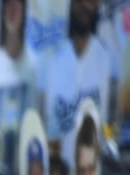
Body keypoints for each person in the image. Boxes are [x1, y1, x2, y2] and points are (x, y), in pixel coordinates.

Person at [42, 0, 110, 150]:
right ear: (71, 5)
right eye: (79, 2)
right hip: (62, 167)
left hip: (94, 166)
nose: (84, 6)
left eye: (90, 2)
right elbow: (51, 129)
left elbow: (108, 127)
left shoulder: (106, 60)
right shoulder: (55, 63)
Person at [0, 0, 36, 173]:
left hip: (25, 168)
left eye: (16, 6)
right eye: (7, 6)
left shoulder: (33, 64)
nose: (12, 12)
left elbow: (35, 121)